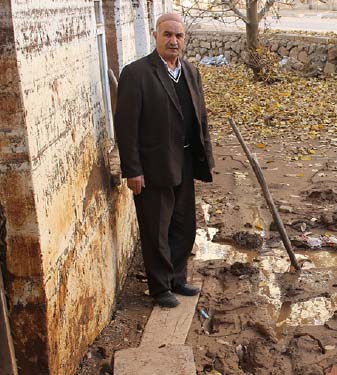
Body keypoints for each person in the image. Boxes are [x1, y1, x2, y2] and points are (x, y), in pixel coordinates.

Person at [114, 13, 215, 308]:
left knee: (183, 224)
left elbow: (202, 120)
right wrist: (133, 169)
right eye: (167, 34)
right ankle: (159, 288)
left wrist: (205, 157)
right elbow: (126, 126)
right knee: (156, 227)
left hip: (184, 159)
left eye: (178, 36)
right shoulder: (136, 73)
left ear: (184, 39)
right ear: (156, 36)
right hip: (153, 164)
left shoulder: (191, 72)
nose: (173, 41)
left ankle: (177, 279)